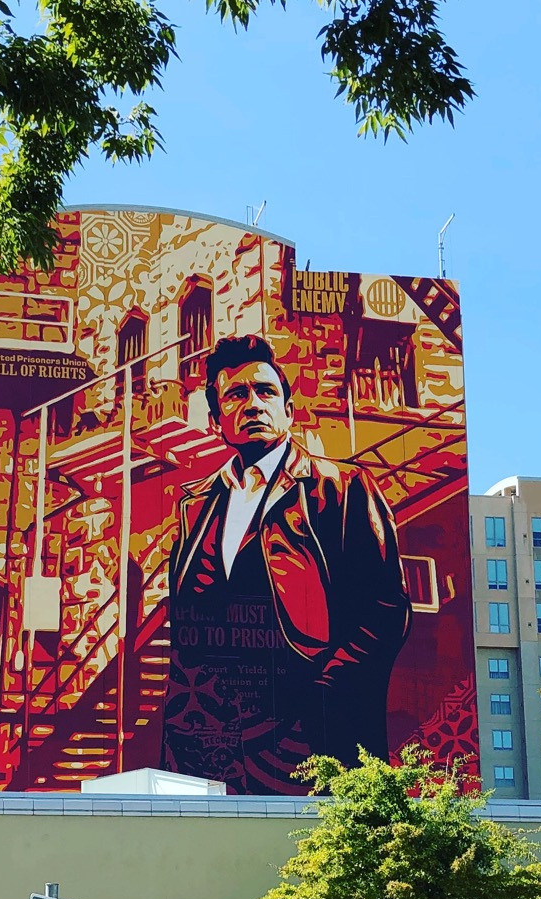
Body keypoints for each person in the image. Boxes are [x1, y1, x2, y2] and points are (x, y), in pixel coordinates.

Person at [160, 331, 411, 794]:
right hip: (211, 741)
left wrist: (327, 687)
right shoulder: (195, 504)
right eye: (236, 394)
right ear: (217, 420)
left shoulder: (342, 486)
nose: (252, 404)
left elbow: (386, 608)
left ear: (289, 412)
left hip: (312, 736)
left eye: (265, 391)